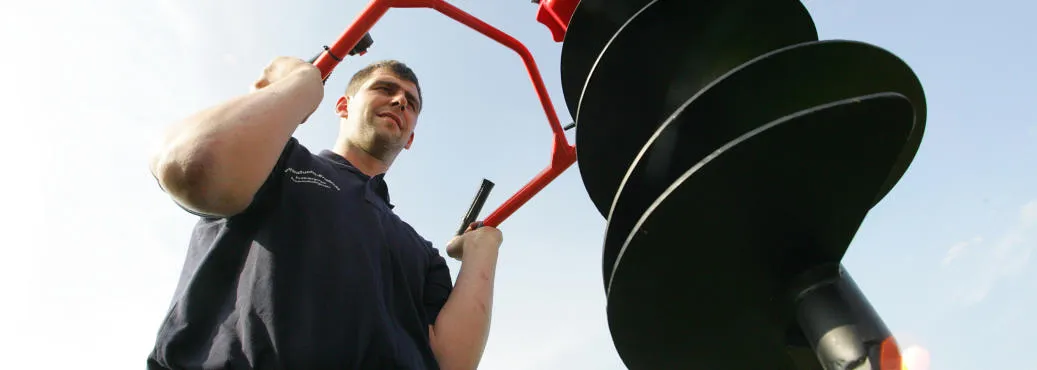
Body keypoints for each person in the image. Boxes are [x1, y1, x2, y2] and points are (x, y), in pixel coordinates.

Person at [146, 56, 503, 370]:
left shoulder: (421, 253)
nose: (400, 101)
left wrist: (482, 252)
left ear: (410, 138)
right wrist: (300, 81)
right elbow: (191, 166)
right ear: (343, 106)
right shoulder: (277, 160)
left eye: (411, 103)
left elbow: (451, 362)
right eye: (385, 89)